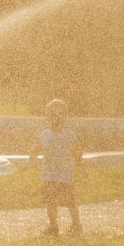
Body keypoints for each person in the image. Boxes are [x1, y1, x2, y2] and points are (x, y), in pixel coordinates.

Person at [28, 98, 83, 236]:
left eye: (60, 114)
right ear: (47, 117)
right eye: (52, 114)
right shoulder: (45, 135)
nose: (56, 118)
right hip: (49, 175)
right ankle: (53, 226)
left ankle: (76, 224)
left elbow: (77, 151)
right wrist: (31, 161)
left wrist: (81, 165)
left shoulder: (70, 135)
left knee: (70, 202)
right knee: (50, 201)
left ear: (65, 117)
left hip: (65, 176)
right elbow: (36, 149)